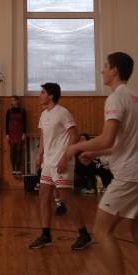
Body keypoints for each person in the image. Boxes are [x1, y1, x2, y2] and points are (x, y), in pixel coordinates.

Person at [59, 52, 138, 275]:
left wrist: (75, 147)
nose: (101, 70)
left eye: (105, 66)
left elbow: (107, 138)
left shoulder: (115, 99)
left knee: (101, 230)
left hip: (131, 175)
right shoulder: (135, 98)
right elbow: (121, 143)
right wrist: (95, 153)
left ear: (114, 70)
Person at [28, 82, 92, 251]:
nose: (40, 95)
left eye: (43, 92)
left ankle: (84, 234)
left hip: (62, 160)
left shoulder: (63, 112)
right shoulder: (43, 115)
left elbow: (75, 136)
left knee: (65, 197)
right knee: (44, 194)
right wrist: (39, 154)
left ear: (51, 96)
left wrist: (66, 157)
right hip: (48, 162)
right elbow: (43, 137)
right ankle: (46, 235)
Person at [5, 95, 26, 175]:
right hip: (12, 133)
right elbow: (6, 123)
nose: (13, 101)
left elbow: (25, 122)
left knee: (19, 151)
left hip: (20, 133)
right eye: (12, 100)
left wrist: (24, 133)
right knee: (12, 151)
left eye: (14, 100)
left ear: (18, 101)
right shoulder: (9, 111)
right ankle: (13, 168)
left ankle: (18, 168)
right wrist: (7, 134)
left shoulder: (22, 111)